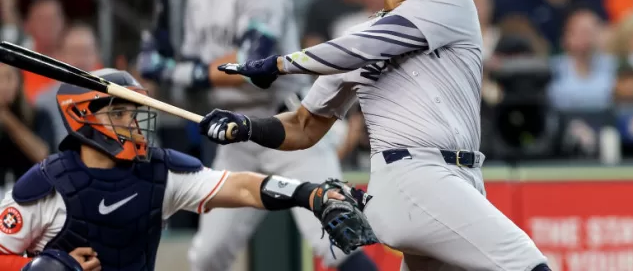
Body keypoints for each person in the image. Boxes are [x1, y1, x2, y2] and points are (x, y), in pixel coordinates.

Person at [198, 0, 550, 270]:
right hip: (416, 178)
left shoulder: (449, 1)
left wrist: (279, 64)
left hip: (458, 179)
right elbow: (303, 127)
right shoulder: (351, 45)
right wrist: (247, 127)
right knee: (528, 264)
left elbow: (366, 46)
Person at [136, 0, 377, 271]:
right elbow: (197, 81)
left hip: (288, 127)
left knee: (334, 240)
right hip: (236, 136)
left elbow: (250, 69)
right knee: (207, 254)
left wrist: (173, 69)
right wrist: (162, 63)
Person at [0, 68, 374, 271]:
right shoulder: (47, 185)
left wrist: (307, 193)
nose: (132, 122)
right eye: (118, 113)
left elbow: (243, 187)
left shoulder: (160, 173)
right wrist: (44, 267)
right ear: (82, 119)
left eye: (133, 112)